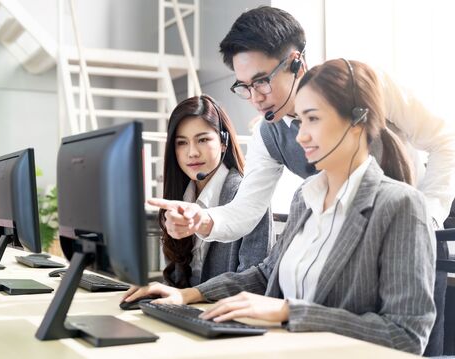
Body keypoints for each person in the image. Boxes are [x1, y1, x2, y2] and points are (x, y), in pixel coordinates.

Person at [122, 59, 436, 355]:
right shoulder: (306, 197)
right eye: (299, 120)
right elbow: (264, 274)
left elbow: (406, 335)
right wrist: (187, 295)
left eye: (312, 118)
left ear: (357, 121)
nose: (299, 135)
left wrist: (289, 312)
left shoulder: (401, 206)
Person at [149, 6, 455, 243]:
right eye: (244, 86)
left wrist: (428, 214)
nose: (255, 97)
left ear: (296, 62)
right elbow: (246, 210)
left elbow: (445, 140)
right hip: (348, 250)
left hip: (410, 240)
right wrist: (200, 219)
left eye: (262, 82)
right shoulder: (269, 132)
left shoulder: (365, 83)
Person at [148, 95, 271, 288]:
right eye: (182, 143)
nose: (192, 152)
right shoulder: (179, 197)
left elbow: (254, 284)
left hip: (224, 313)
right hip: (185, 310)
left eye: (203, 139)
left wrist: (189, 297)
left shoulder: (247, 196)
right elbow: (176, 278)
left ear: (224, 142)